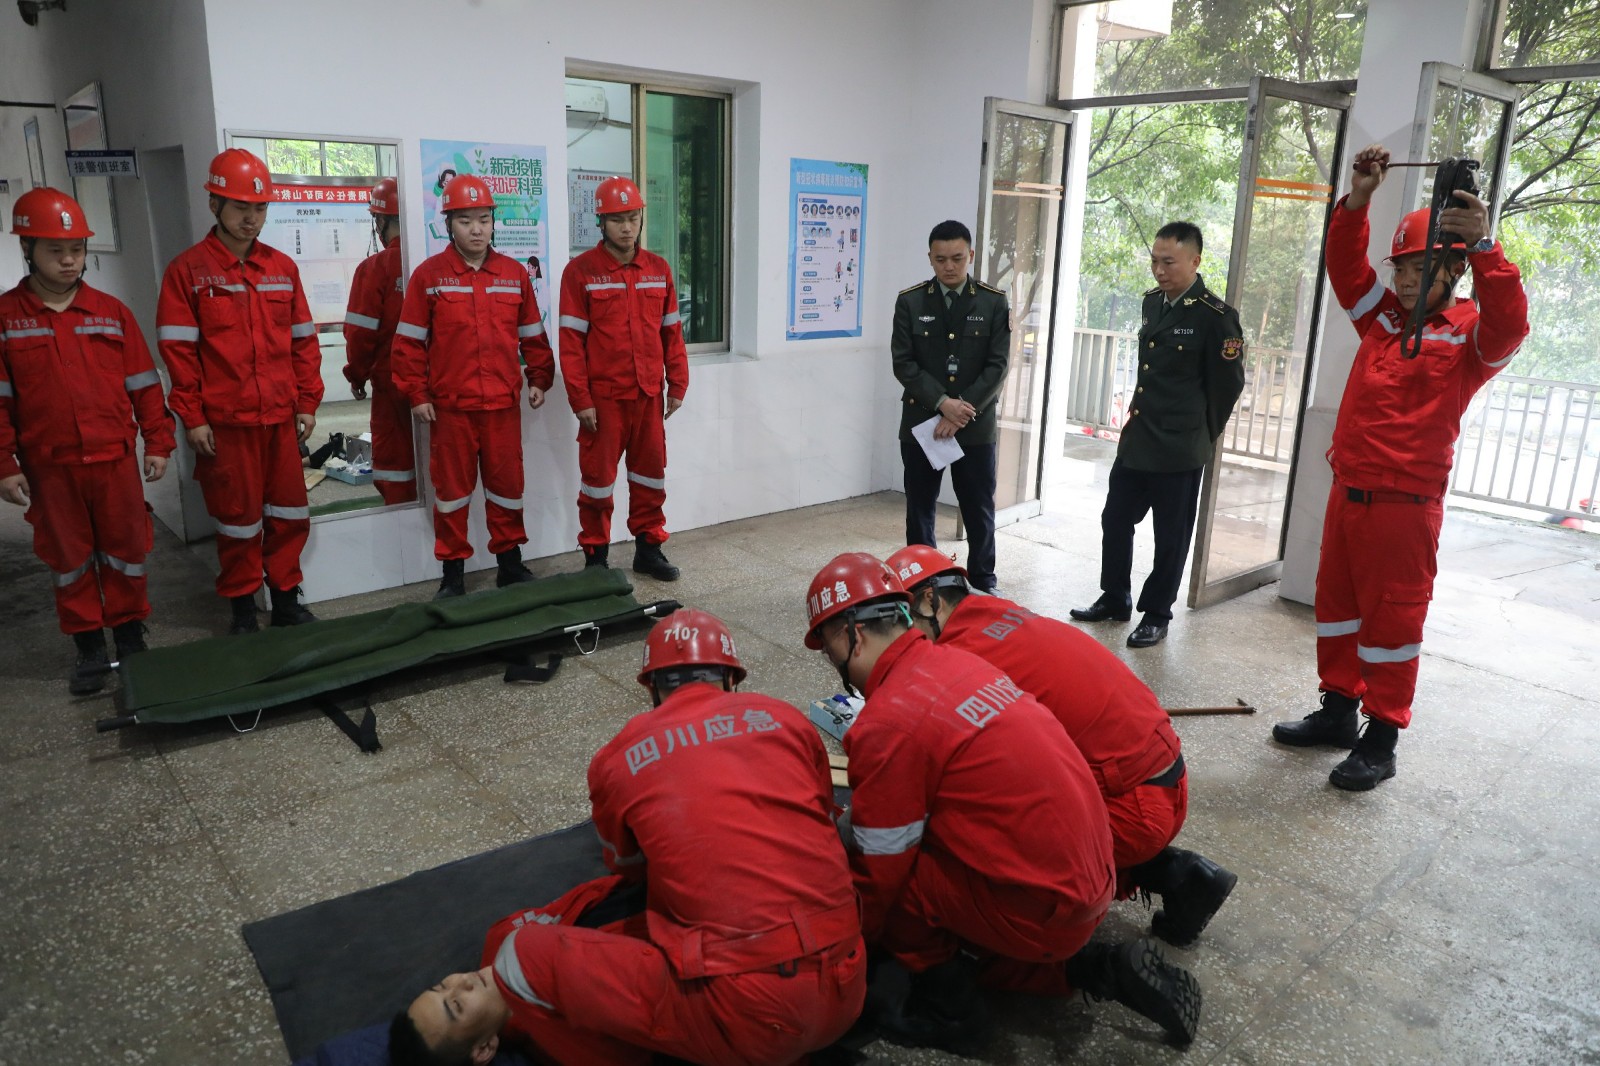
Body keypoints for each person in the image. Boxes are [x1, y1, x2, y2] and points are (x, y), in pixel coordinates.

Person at [390, 609, 866, 1066]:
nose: (459, 983)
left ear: (652, 687)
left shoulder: (618, 757)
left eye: (443, 987)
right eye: (453, 1002)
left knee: (524, 954)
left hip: (757, 1018)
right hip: (851, 982)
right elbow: (823, 820)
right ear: (731, 678)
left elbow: (628, 867)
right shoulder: (784, 718)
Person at [803, 552, 1202, 1048]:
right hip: (1101, 866)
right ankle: (1090, 961)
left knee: (899, 882)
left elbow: (881, 872)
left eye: (828, 650)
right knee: (930, 854)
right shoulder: (962, 661)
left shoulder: (888, 722)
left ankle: (951, 1010)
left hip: (1054, 906)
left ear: (852, 636)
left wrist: (851, 943)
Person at [1271, 144, 1529, 791]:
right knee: (1337, 610)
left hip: (1404, 510)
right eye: (1403, 269)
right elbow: (1345, 268)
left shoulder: (1470, 334)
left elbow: (1511, 323)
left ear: (1453, 268)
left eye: (1421, 268)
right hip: (1348, 494)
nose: (1407, 281)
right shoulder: (1383, 320)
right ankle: (1338, 710)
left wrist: (1487, 246)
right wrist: (1358, 199)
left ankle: (1381, 738)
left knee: (1392, 625)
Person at [886, 545, 1236, 947]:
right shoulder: (998, 611)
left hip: (1132, 809)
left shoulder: (959, 658)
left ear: (929, 601)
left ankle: (1097, 945)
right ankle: (1178, 875)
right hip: (1166, 776)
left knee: (961, 831)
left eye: (900, 620)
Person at [0, 187, 174, 692]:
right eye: (56, 250)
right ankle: (89, 647)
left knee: (126, 550)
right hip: (50, 468)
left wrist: (158, 443)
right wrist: (5, 465)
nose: (69, 260)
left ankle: (130, 636)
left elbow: (144, 384)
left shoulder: (111, 313)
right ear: (27, 247)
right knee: (69, 557)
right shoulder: (7, 319)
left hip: (114, 460)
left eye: (76, 249)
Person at [157, 148, 321, 634]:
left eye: (260, 208)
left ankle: (286, 600)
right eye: (241, 208)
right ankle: (243, 608)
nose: (251, 218)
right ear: (214, 205)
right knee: (237, 520)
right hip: (226, 424)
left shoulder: (282, 268)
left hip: (280, 419)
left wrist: (307, 401)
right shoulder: (188, 271)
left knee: (290, 513)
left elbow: (303, 341)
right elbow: (178, 352)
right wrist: (192, 416)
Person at [1071, 221, 1245, 648]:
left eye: (1169, 262)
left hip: (1180, 447)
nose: (1159, 270)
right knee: (1115, 518)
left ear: (1195, 261)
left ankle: (1156, 613)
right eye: (1154, 261)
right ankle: (1115, 597)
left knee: (1170, 537)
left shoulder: (1216, 317)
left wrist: (1201, 434)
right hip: (1139, 438)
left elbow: (1227, 386)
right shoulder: (1153, 303)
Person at [391, 174, 554, 599]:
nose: (477, 230)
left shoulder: (514, 275)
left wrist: (539, 377)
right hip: (451, 410)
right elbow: (407, 344)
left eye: (484, 219)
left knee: (507, 490)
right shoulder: (429, 277)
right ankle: (453, 575)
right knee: (451, 495)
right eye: (465, 221)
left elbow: (533, 335)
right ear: (448, 224)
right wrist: (417, 394)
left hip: (502, 407)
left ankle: (510, 565)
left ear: (493, 222)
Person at [558, 176, 687, 582]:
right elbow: (571, 344)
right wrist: (581, 399)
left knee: (650, 476)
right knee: (598, 483)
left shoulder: (658, 270)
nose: (627, 228)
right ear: (601, 222)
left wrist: (678, 383)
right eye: (617, 220)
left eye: (633, 218)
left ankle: (648, 550)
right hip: (604, 400)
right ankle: (595, 558)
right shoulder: (580, 273)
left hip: (648, 395)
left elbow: (672, 332)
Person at [891, 220, 1010, 592]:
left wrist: (961, 410)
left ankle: (983, 581)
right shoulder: (910, 301)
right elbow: (903, 363)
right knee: (920, 508)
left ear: (970, 255)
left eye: (957, 258)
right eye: (940, 259)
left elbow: (997, 366)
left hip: (974, 427)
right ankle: (924, 581)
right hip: (923, 423)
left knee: (978, 507)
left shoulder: (993, 302)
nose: (949, 266)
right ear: (930, 258)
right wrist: (943, 403)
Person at [342, 176, 416, 504]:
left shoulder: (373, 269)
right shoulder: (436, 263)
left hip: (391, 385)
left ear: (381, 221)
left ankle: (402, 525)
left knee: (397, 468)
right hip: (439, 386)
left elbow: (360, 334)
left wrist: (356, 376)